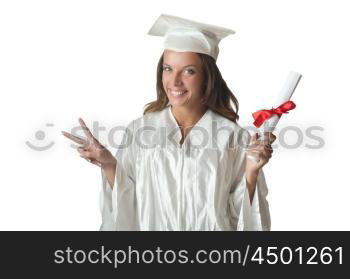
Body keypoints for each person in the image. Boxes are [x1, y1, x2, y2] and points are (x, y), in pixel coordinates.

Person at [62, 14, 276, 231]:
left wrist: (251, 172)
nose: (174, 81)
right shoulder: (140, 130)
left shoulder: (232, 136)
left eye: (189, 71)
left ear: (207, 76)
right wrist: (109, 164)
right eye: (168, 68)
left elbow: (240, 217)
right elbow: (127, 204)